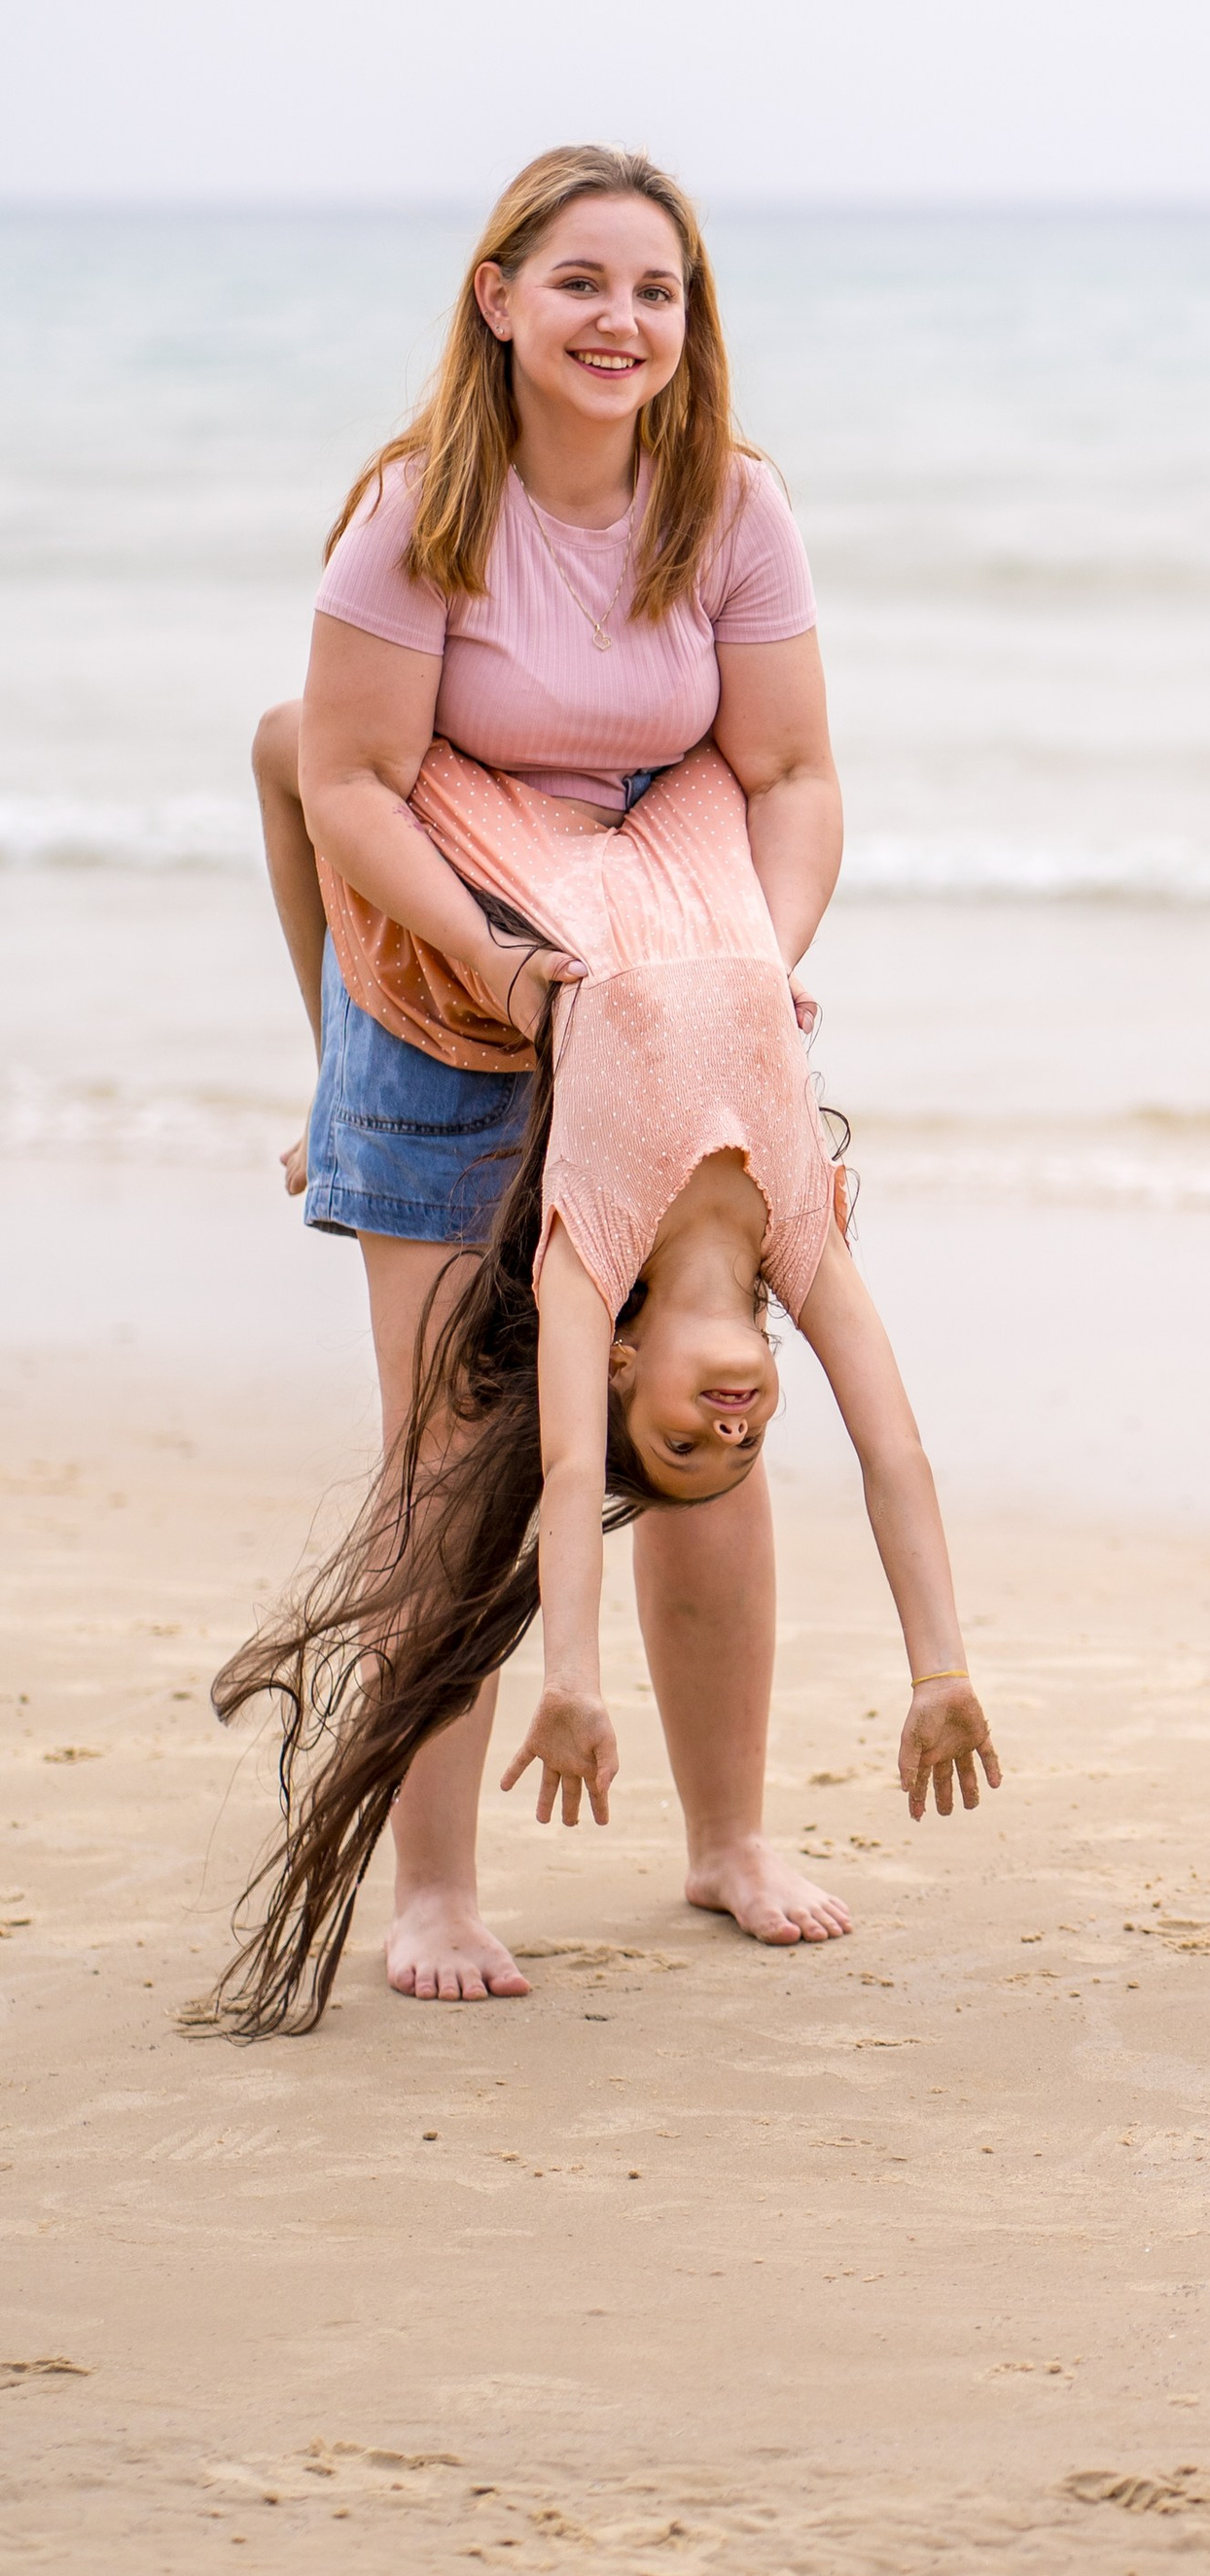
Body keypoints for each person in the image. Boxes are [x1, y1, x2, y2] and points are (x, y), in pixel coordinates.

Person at [249, 142, 847, 2003]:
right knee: (451, 1458)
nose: (622, 321)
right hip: (451, 996)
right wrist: (508, 971)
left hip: (659, 989)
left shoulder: (728, 502)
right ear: (498, 299)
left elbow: (792, 774)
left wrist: (751, 980)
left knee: (705, 1418)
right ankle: (434, 1890)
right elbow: (343, 778)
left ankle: (728, 1838)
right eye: (582, 281)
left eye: (657, 290)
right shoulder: (422, 507)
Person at [212, 740, 994, 2038]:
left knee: (304, 745)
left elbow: (571, 1468)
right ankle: (549, 1870)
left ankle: (677, 1848)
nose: (729, 1433)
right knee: (677, 732)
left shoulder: (591, 1251)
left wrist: (571, 1680)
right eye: (738, 1444)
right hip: (690, 859)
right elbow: (896, 1453)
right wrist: (938, 1669)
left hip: (549, 906)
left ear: (620, 1365)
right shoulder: (805, 1235)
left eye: (685, 1441)